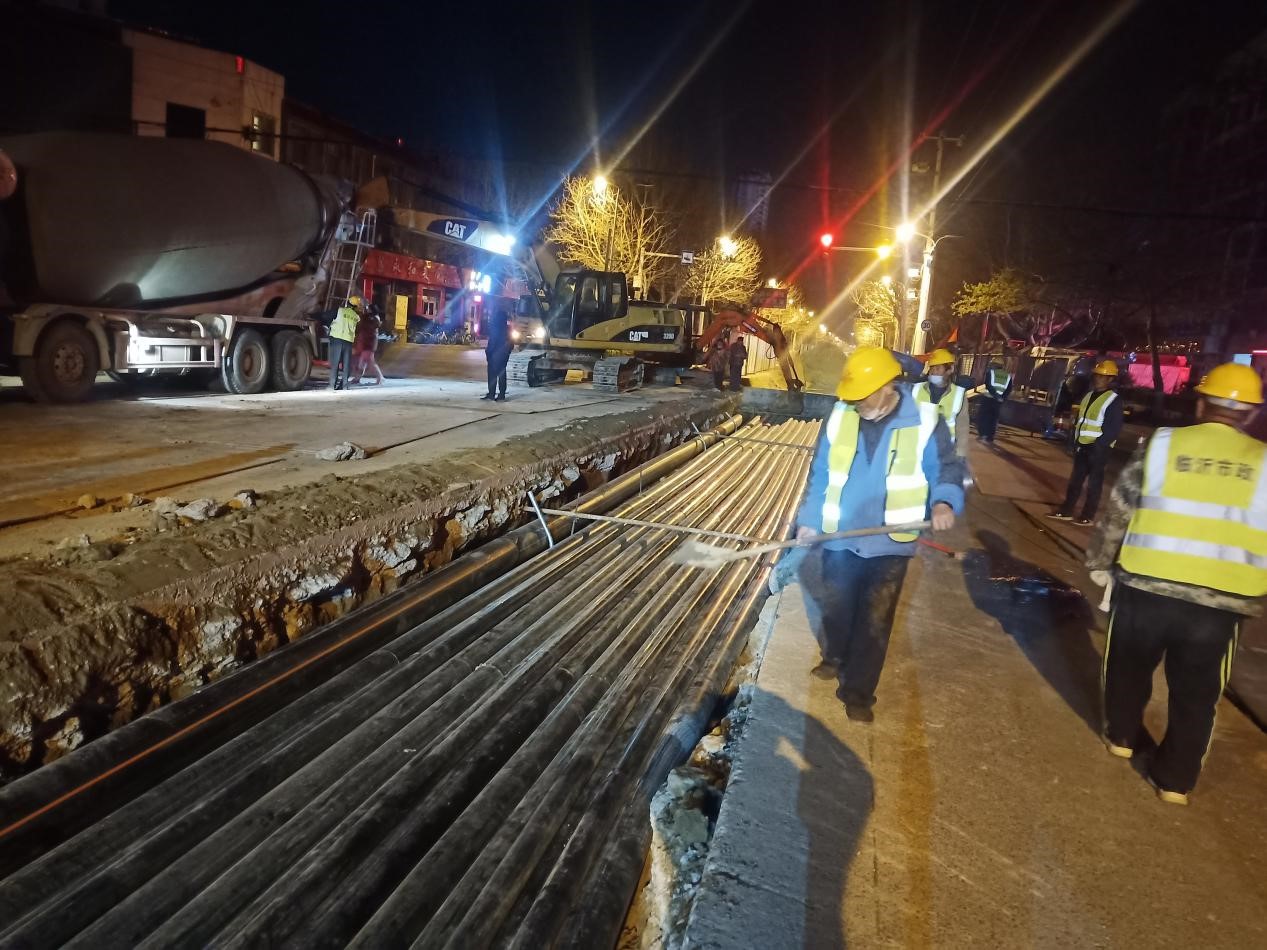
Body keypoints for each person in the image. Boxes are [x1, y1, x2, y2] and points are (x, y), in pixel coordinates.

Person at [1087, 362, 1267, 805]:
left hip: (1146, 586)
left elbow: (1119, 510)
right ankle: (1174, 782)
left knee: (1127, 668)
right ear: (1250, 414)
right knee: (1197, 694)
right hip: (1221, 602)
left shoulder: (1162, 446)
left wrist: (1099, 561)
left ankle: (1122, 737)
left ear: (1201, 401)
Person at [796, 347, 966, 722]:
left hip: (891, 542)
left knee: (875, 619)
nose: (857, 404)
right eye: (852, 397)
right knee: (837, 607)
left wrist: (944, 503)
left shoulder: (924, 419)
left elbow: (948, 468)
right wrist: (809, 518)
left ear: (889, 386)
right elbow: (821, 472)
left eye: (864, 396)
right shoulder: (841, 415)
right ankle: (835, 655)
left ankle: (858, 691)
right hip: (840, 536)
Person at [1047, 359, 1123, 525]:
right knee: (1075, 481)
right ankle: (1066, 511)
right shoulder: (1088, 396)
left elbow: (1113, 428)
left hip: (1099, 449)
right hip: (1083, 446)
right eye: (1096, 375)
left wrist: (1098, 446)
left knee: (1094, 485)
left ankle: (1087, 516)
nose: (1098, 379)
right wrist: (1074, 442)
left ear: (1111, 379)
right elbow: (1080, 421)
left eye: (1102, 377)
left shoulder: (1113, 400)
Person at [912, 347, 971, 458]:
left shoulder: (959, 394)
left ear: (950, 369)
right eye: (932, 368)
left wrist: (960, 455)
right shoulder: (916, 389)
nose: (933, 371)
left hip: (944, 452)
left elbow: (962, 428)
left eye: (938, 368)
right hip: (918, 450)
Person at [328, 295, 361, 391]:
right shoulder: (356, 317)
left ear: (348, 303)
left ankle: (332, 386)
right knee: (346, 365)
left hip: (337, 339)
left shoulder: (340, 311)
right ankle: (345, 386)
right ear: (356, 307)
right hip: (348, 342)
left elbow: (326, 316)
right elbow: (357, 331)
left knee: (335, 364)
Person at [976, 358, 1012, 443]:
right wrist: (1001, 397)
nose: (990, 366)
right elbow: (1009, 389)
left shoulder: (991, 373)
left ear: (995, 365)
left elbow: (988, 385)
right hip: (998, 401)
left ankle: (982, 435)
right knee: (993, 419)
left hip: (988, 398)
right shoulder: (1008, 376)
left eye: (992, 364)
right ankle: (990, 437)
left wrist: (995, 395)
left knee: (983, 417)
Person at [482, 307, 512, 402]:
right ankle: (502, 395)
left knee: (492, 375)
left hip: (495, 355)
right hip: (504, 355)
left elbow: (493, 342)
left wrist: (488, 352)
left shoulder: (496, 327)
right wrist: (507, 353)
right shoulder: (508, 329)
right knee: (502, 374)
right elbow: (511, 343)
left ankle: (491, 394)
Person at [350, 305, 385, 385]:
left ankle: (380, 377)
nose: (366, 309)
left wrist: (363, 316)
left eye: (368, 308)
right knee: (363, 362)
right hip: (366, 343)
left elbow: (369, 327)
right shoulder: (369, 317)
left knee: (370, 363)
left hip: (369, 343)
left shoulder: (373, 318)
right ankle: (357, 378)